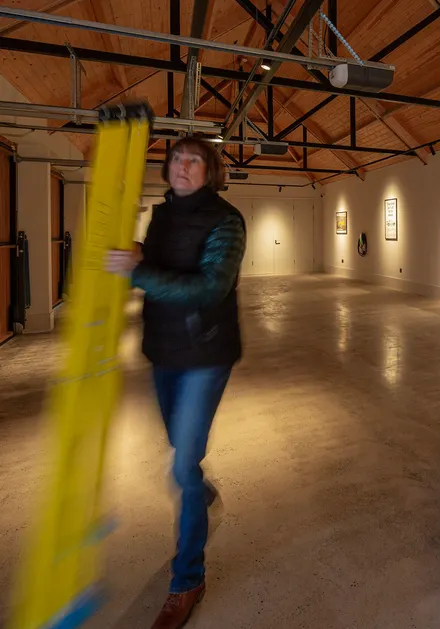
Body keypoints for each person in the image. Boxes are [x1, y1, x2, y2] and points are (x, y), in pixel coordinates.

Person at [106, 136, 246, 629]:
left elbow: (210, 287)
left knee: (182, 467)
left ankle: (188, 578)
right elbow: (163, 260)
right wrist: (141, 252)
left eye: (195, 160)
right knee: (181, 455)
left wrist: (139, 270)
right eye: (177, 159)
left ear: (211, 171)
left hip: (206, 354)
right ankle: (201, 490)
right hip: (163, 350)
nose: (184, 166)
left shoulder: (228, 220)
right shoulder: (162, 215)